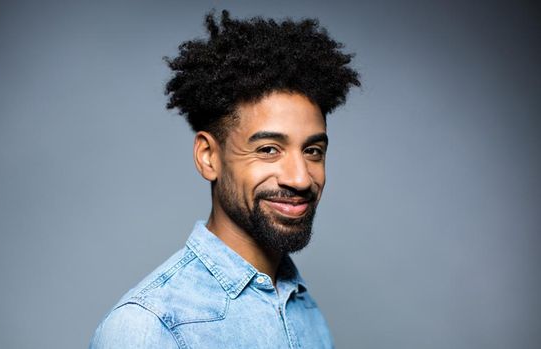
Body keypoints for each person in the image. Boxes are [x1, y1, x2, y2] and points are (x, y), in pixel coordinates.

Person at [90, 10, 359, 348]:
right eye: (268, 149)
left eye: (313, 151)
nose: (301, 178)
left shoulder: (301, 306)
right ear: (208, 156)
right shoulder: (149, 327)